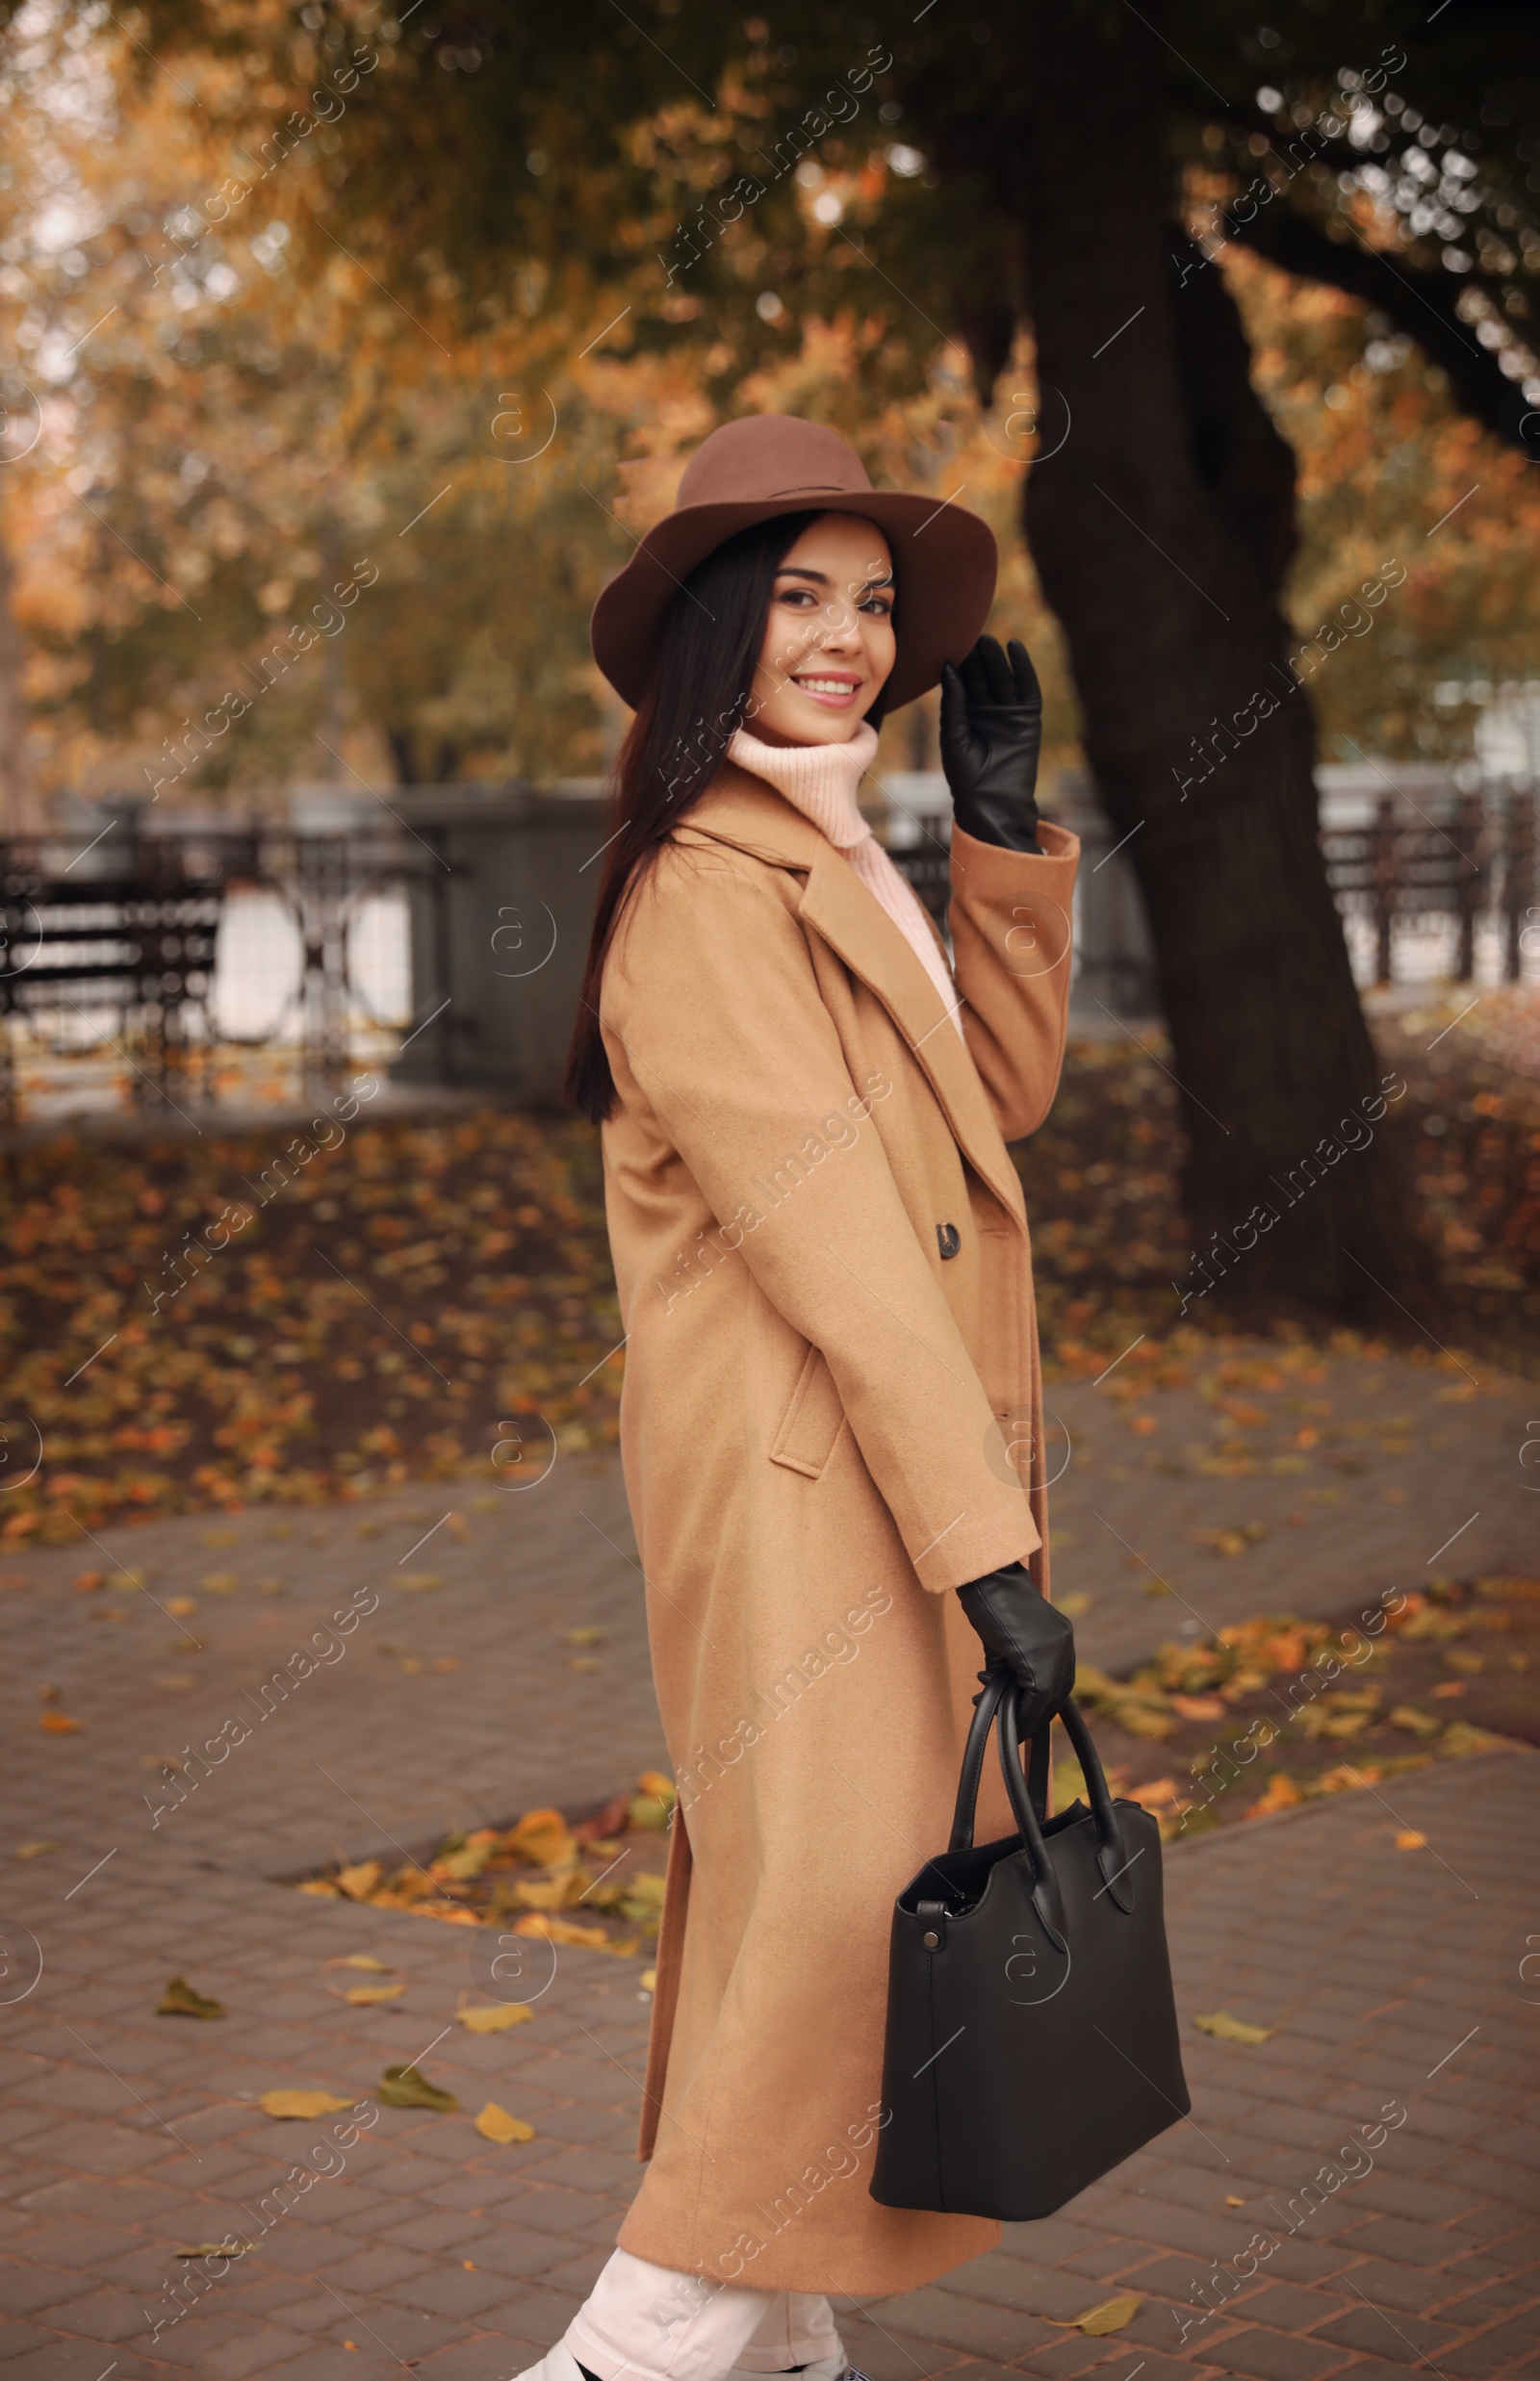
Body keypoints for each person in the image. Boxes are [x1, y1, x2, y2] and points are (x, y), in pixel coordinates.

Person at [521, 415, 1079, 2381]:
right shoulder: (699, 890)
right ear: (708, 633)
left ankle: (774, 2342)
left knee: (828, 1899)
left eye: (864, 603)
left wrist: (995, 851)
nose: (842, 639)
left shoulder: (821, 845)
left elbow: (987, 1107)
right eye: (795, 600)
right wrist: (986, 1550)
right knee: (837, 1906)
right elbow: (838, 1239)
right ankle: (635, 2346)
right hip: (797, 1486)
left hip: (881, 1466)